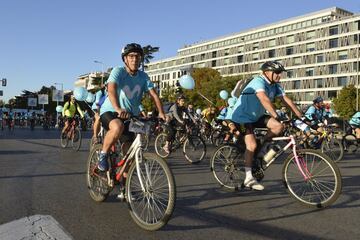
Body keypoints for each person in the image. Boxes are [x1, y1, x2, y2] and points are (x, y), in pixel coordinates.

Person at [226, 61, 303, 190]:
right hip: (242, 116)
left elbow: (286, 100)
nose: (279, 76)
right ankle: (248, 178)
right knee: (252, 145)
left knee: (279, 127)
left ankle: (260, 149)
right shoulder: (258, 81)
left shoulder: (275, 86)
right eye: (277, 73)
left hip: (256, 116)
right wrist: (275, 114)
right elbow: (263, 99)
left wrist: (301, 116)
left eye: (280, 73)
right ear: (267, 73)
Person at [98, 43, 165, 171]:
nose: (135, 59)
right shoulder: (118, 71)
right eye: (131, 56)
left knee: (129, 153)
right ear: (125, 59)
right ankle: (103, 154)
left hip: (130, 115)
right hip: (111, 111)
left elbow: (154, 95)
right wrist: (117, 108)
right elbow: (111, 90)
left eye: (138, 56)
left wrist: (161, 113)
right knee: (117, 126)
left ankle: (124, 186)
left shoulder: (143, 77)